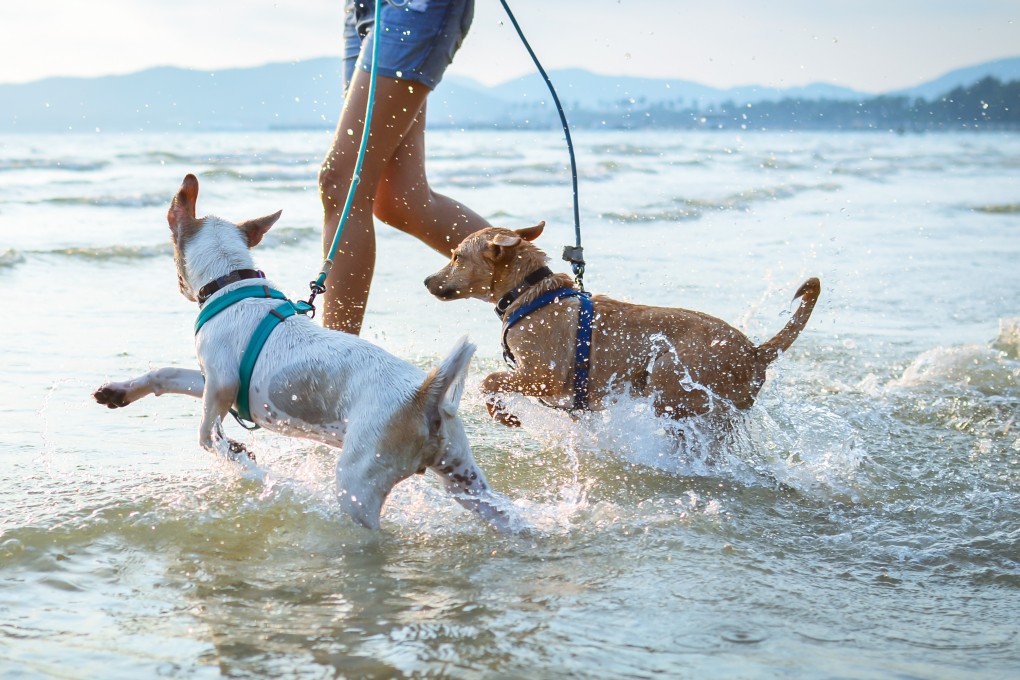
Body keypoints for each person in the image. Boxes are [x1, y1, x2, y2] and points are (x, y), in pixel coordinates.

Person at [318, 0, 492, 335]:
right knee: (401, 201)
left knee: (341, 182)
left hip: (414, 7)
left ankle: (334, 364)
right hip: (364, 10)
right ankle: (553, 304)